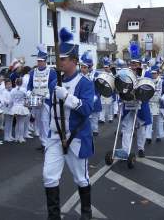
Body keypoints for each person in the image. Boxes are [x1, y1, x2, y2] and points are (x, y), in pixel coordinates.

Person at [43, 28, 94, 220]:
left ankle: (86, 214)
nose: (59, 62)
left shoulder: (85, 83)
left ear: (73, 60)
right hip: (56, 137)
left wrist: (68, 97)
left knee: (81, 179)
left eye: (62, 59)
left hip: (76, 138)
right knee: (49, 177)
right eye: (58, 59)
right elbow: (51, 109)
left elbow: (88, 110)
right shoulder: (54, 82)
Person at [119, 42, 152, 157]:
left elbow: (149, 89)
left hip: (141, 104)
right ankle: (125, 150)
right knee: (127, 128)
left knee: (141, 129)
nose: (133, 66)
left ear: (140, 64)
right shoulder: (125, 73)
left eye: (135, 64)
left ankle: (141, 148)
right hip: (128, 104)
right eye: (132, 63)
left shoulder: (146, 73)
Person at [27, 45, 57, 150]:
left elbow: (54, 86)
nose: (39, 63)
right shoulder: (33, 72)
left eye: (41, 61)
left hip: (46, 101)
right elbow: (30, 85)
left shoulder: (52, 72)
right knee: (39, 122)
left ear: (45, 61)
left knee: (45, 122)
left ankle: (47, 143)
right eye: (38, 61)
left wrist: (49, 95)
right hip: (35, 100)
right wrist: (28, 92)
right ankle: (43, 142)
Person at [80, 51, 102, 137]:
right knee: (86, 118)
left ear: (90, 67)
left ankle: (95, 129)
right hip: (84, 100)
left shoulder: (96, 75)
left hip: (95, 98)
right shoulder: (79, 75)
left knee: (95, 117)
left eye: (84, 67)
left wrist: (96, 96)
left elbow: (100, 88)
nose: (82, 69)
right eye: (82, 67)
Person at [147, 65, 164, 143]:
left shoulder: (163, 82)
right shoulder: (148, 81)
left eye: (155, 73)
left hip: (159, 104)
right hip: (150, 103)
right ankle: (148, 136)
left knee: (159, 121)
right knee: (149, 121)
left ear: (158, 73)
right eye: (152, 73)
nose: (153, 75)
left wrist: (163, 97)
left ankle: (159, 135)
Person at [10, 78, 29, 143]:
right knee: (21, 123)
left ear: (15, 83)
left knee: (17, 122)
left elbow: (11, 99)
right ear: (22, 83)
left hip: (15, 107)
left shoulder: (13, 90)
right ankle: (21, 137)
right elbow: (27, 98)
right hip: (22, 107)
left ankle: (16, 137)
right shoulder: (24, 90)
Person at [99, 57, 114, 124]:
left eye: (107, 67)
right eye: (105, 67)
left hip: (110, 92)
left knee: (110, 106)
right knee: (102, 106)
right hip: (103, 92)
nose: (106, 68)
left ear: (109, 67)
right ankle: (102, 119)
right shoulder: (101, 74)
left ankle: (110, 118)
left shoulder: (113, 74)